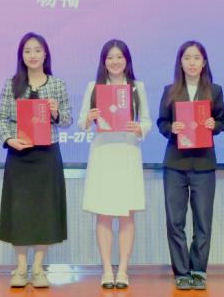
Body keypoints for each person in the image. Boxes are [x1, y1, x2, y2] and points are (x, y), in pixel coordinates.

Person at [0, 32, 72, 289]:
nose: (33, 55)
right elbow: (1, 119)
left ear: (45, 54)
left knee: (45, 211)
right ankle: (20, 268)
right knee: (19, 211)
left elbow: (68, 120)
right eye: (27, 51)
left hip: (47, 155)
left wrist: (56, 112)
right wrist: (10, 139)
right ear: (22, 55)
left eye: (37, 50)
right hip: (19, 155)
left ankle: (38, 268)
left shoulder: (57, 84)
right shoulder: (11, 84)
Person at [78, 40, 151, 289]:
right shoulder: (94, 87)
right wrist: (88, 118)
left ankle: (123, 271)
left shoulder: (137, 87)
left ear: (127, 60)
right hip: (103, 154)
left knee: (127, 215)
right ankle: (107, 270)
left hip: (127, 153)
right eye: (110, 57)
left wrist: (139, 128)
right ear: (103, 61)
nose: (115, 61)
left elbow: (147, 121)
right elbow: (81, 123)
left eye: (119, 57)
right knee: (104, 213)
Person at [156, 41, 224, 291]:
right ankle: (181, 272)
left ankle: (198, 270)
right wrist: (171, 128)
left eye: (197, 58)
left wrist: (214, 125)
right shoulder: (170, 90)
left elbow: (223, 120)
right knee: (175, 221)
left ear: (204, 62)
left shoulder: (214, 90)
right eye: (187, 58)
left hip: (204, 163)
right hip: (175, 163)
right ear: (181, 62)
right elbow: (162, 123)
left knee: (203, 221)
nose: (192, 62)